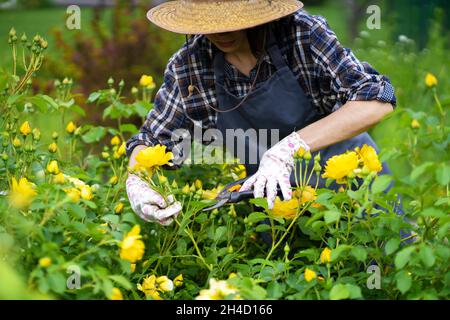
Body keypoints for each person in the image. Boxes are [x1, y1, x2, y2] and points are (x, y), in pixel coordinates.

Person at [125, 0, 398, 226]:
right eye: (208, 21)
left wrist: (288, 149)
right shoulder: (190, 66)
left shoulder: (299, 34)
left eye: (232, 19)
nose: (221, 31)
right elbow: (151, 140)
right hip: (274, 204)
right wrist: (138, 183)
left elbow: (377, 99)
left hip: (352, 187)